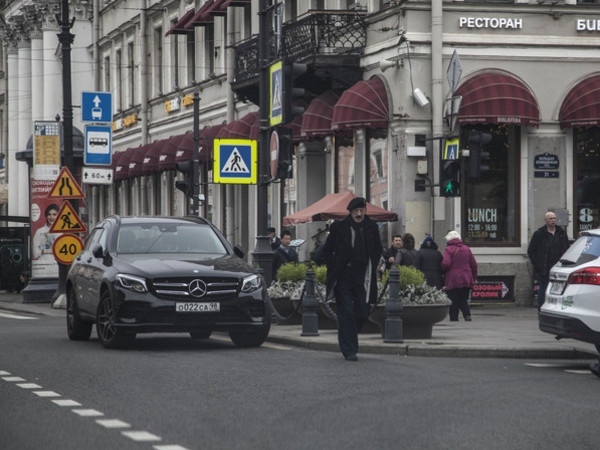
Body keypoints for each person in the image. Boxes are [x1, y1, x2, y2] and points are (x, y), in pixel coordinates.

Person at [320, 196, 383, 361]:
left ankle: (349, 335)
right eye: (356, 211)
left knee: (363, 312)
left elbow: (378, 249)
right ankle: (349, 350)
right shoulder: (339, 227)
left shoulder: (371, 227)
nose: (360, 213)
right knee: (346, 311)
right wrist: (333, 266)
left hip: (364, 275)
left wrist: (373, 264)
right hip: (344, 275)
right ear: (350, 212)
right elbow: (327, 250)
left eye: (362, 210)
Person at [527, 211, 570, 310]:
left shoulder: (561, 233)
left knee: (559, 289)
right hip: (544, 268)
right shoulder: (539, 233)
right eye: (550, 218)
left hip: (559, 268)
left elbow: (566, 248)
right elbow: (531, 251)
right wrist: (537, 264)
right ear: (546, 220)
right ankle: (541, 309)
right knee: (544, 289)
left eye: (554, 218)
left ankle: (557, 308)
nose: (553, 220)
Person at [441, 230, 477, 322]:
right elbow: (474, 265)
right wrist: (473, 277)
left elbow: (446, 263)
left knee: (453, 300)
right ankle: (467, 315)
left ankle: (454, 318)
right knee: (463, 299)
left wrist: (441, 269)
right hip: (466, 278)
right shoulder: (466, 248)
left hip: (453, 279)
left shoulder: (448, 249)